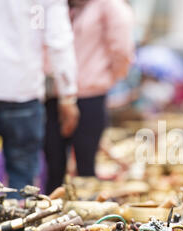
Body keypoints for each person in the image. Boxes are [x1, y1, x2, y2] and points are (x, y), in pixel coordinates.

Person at [0, 0, 78, 195]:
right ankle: (18, 224)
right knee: (21, 183)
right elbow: (59, 41)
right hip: (22, 92)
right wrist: (68, 96)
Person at [44, 0, 135, 194]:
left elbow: (122, 50)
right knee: (54, 170)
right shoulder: (60, 5)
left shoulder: (109, 6)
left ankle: (87, 220)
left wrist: (105, 77)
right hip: (54, 96)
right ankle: (50, 219)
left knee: (85, 171)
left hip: (89, 96)